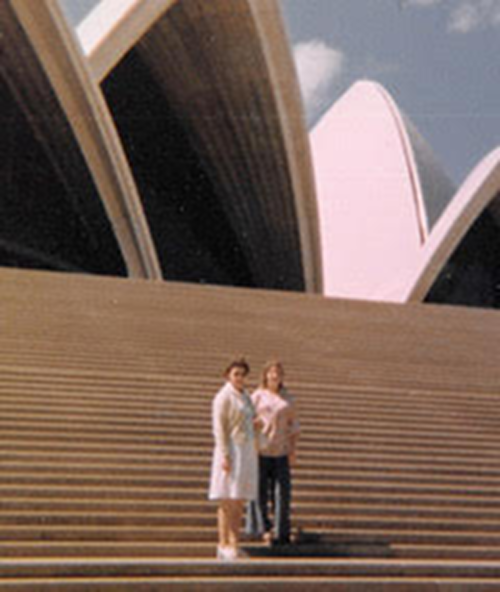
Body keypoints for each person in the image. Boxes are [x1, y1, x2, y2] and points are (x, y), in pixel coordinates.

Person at [209, 358, 258, 560]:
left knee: (238, 499)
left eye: (242, 374)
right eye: (236, 374)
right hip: (230, 449)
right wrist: (225, 454)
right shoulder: (223, 397)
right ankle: (223, 543)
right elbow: (219, 427)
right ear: (228, 375)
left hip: (245, 449)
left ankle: (235, 542)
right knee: (226, 499)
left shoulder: (246, 396)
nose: (239, 378)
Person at [248, 360, 300, 546]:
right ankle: (264, 529)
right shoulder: (257, 396)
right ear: (265, 375)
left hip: (281, 451)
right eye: (271, 372)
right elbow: (247, 418)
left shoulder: (288, 399)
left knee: (282, 493)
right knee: (260, 492)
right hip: (260, 450)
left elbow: (294, 426)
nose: (275, 375)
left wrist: (293, 450)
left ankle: (281, 530)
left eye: (278, 372)